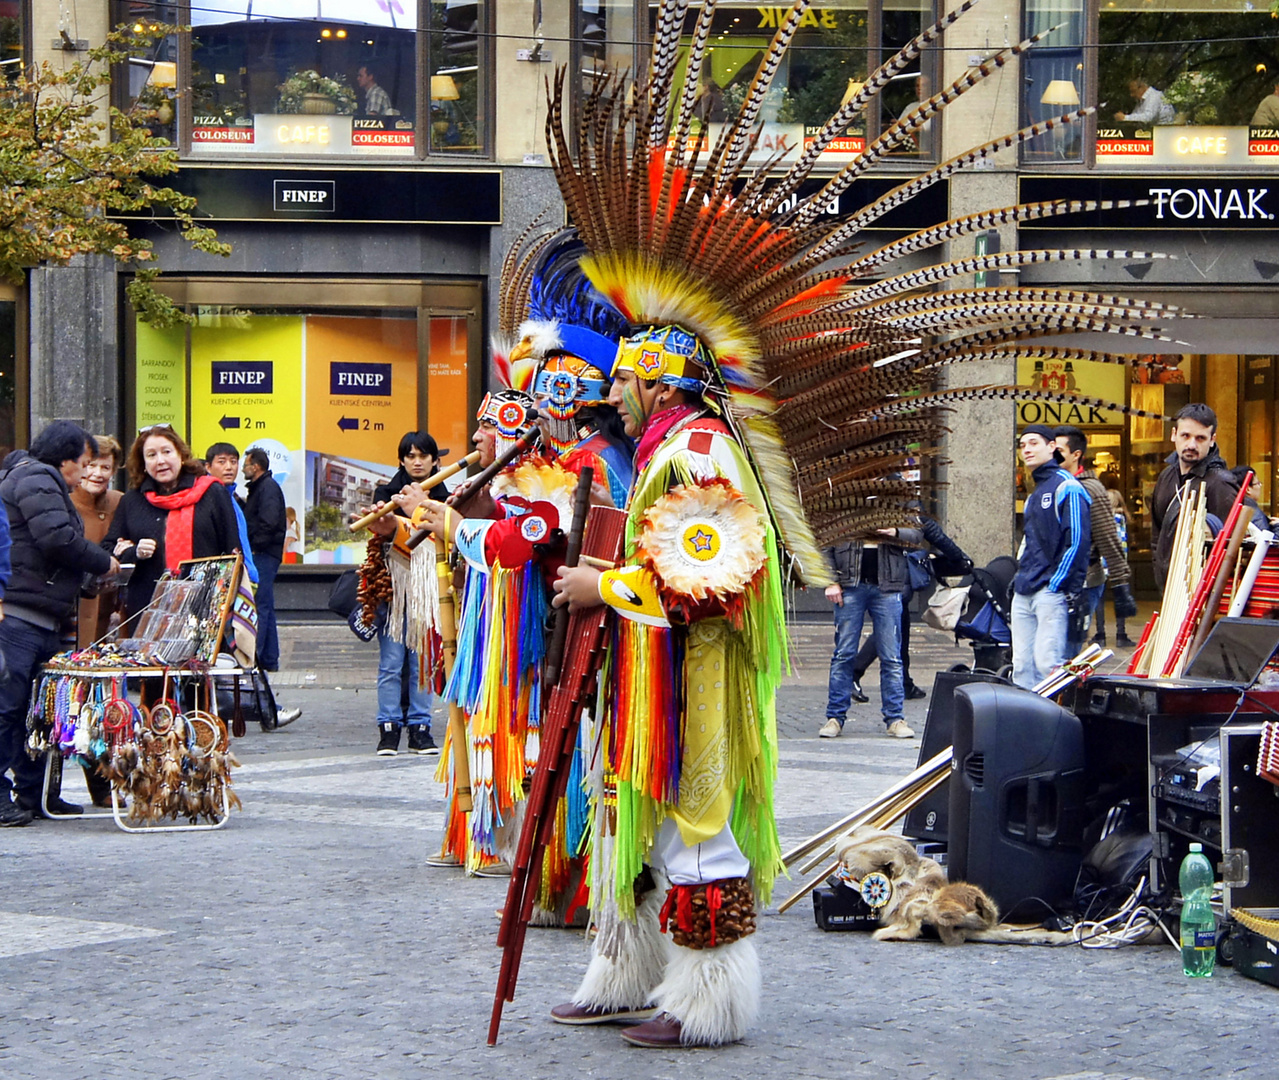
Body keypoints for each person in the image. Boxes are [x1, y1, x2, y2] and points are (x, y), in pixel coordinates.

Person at [551, 325, 788, 1048]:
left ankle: (708, 1003)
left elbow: (714, 579)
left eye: (623, 381)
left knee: (698, 832)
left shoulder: (698, 451)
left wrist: (604, 585)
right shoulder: (667, 447)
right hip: (650, 671)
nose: (610, 394)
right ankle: (624, 978)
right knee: (633, 825)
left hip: (696, 679)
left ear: (662, 383)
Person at [0, 422, 117, 824]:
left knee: (38, 711)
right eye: (83, 464)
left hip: (41, 614)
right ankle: (5, 794)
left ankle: (36, 794)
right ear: (64, 459)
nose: (85, 473)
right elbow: (55, 538)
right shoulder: (36, 476)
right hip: (20, 616)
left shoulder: (40, 479)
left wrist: (87, 580)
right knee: (9, 708)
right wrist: (104, 561)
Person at [104, 425, 241, 623]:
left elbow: (232, 552)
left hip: (203, 611)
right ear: (143, 463)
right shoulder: (132, 501)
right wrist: (134, 552)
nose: (160, 461)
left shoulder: (212, 493)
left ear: (181, 455)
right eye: (151, 455)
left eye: (167, 452)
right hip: (146, 614)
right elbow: (109, 549)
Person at [369, 431, 447, 757]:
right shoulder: (386, 494)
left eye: (423, 456)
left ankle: (420, 727)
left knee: (422, 663)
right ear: (401, 460)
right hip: (392, 589)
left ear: (434, 460)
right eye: (410, 456)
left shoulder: (447, 495)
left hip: (429, 590)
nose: (417, 462)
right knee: (391, 662)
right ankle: (388, 729)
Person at [845, 513, 969, 705]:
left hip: (885, 577)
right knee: (890, 630)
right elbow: (934, 534)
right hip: (895, 578)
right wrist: (961, 559)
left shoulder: (893, 508)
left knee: (900, 629)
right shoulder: (907, 507)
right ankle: (854, 672)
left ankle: (904, 683)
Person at [1010, 423, 1091, 690]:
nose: (1027, 450)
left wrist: (1057, 583)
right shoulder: (1035, 494)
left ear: (1051, 447)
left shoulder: (1068, 487)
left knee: (1048, 665)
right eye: (1023, 445)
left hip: (1048, 591)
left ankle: (1056, 724)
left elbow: (1077, 541)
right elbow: (1029, 542)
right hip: (1025, 590)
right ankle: (1026, 725)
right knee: (1022, 666)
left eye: (1034, 443)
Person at [819, 530, 915, 740]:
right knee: (844, 654)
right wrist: (830, 580)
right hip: (849, 584)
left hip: (887, 586)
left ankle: (895, 718)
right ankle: (835, 717)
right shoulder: (844, 499)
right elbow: (826, 542)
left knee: (891, 656)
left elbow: (916, 534)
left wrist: (895, 532)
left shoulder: (896, 500)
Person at [1053, 426, 1138, 657]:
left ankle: (1066, 691)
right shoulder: (1051, 483)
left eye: (1058, 450)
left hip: (1083, 579)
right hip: (1053, 579)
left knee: (1066, 649)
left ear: (1076, 454)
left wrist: (1120, 584)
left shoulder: (1090, 488)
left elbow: (1108, 536)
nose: (1053, 454)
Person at [1150, 403, 1240, 591]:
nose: (1192, 444)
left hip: (1202, 591)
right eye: (1186, 436)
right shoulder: (1166, 477)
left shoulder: (1220, 482)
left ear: (1212, 440)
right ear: (1174, 434)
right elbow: (1156, 535)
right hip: (1168, 588)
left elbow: (1231, 547)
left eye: (1200, 438)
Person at [71, 435, 124, 648]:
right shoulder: (64, 502)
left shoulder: (120, 501)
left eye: (105, 467)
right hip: (71, 611)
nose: (97, 474)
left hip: (110, 611)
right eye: (91, 466)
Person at [242, 447, 287, 672]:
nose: (242, 469)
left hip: (264, 554)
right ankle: (269, 658)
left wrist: (254, 546)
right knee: (265, 604)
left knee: (260, 605)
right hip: (264, 552)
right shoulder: (261, 488)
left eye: (245, 464)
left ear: (256, 466)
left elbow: (268, 522)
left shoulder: (267, 488)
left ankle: (258, 657)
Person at [1092, 472, 1137, 648]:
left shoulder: (1100, 513)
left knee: (1099, 597)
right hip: (1119, 558)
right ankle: (1121, 633)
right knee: (1120, 595)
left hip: (1101, 556)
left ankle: (1100, 634)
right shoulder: (1120, 515)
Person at [204, 442, 259, 587]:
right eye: (221, 462)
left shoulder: (231, 497)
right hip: (224, 580)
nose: (229, 467)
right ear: (208, 467)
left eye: (233, 462)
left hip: (242, 575)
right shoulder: (208, 499)